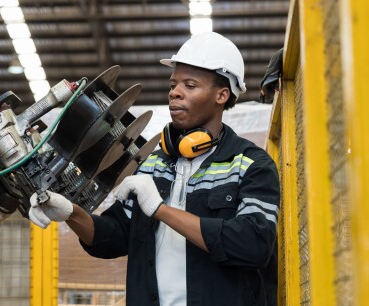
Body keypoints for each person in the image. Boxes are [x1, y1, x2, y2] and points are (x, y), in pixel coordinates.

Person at [28, 32, 280, 306]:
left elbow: (253, 246)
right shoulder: (152, 166)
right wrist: (72, 214)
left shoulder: (251, 163)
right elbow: (112, 236)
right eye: (173, 84)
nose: (175, 91)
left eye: (190, 85)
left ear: (222, 94)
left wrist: (160, 209)